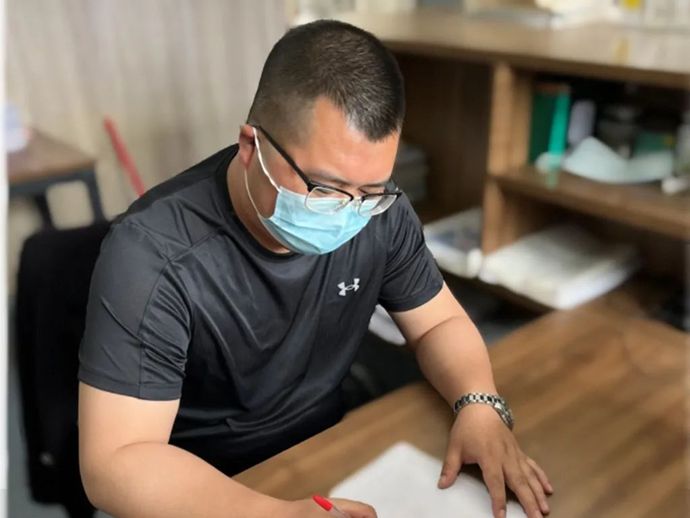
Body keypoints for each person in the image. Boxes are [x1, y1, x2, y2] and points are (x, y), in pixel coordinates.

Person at [78, 19, 552, 518]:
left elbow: (439, 321)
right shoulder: (152, 256)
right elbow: (116, 462)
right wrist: (275, 515)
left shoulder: (379, 213)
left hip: (325, 445)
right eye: (325, 189)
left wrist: (479, 402)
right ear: (251, 147)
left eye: (370, 190)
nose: (348, 213)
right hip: (209, 484)